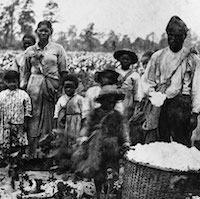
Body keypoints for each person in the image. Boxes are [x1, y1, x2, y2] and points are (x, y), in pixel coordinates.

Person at [142, 16, 200, 146]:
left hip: (182, 106)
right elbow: (147, 80)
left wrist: (195, 113)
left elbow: (197, 87)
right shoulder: (157, 57)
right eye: (171, 36)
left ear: (184, 37)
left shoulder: (192, 59)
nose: (173, 40)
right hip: (161, 104)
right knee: (161, 142)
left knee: (182, 144)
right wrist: (153, 94)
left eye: (178, 36)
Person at [73, 85, 130, 198]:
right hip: (96, 147)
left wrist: (126, 143)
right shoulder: (94, 113)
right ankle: (98, 192)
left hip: (113, 148)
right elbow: (87, 126)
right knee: (97, 172)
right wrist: (84, 138)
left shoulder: (118, 116)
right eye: (109, 100)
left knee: (112, 172)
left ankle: (111, 193)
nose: (111, 103)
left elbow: (123, 130)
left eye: (113, 101)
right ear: (102, 101)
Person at [21, 20, 68, 158]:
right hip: (34, 87)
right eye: (40, 30)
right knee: (33, 119)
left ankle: (46, 155)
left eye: (46, 31)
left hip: (51, 86)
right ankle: (32, 155)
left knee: (50, 118)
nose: (43, 33)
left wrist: (61, 89)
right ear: (36, 31)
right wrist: (22, 89)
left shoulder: (58, 49)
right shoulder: (30, 51)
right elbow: (26, 72)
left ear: (51, 32)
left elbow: (63, 70)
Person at [53, 74, 84, 170]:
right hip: (64, 124)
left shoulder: (79, 99)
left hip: (76, 123)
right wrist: (55, 128)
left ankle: (76, 165)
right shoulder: (61, 99)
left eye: (71, 87)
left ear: (75, 87)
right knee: (64, 143)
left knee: (75, 143)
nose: (68, 89)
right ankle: (64, 165)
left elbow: (84, 113)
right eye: (66, 87)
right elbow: (56, 114)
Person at [0, 70, 32, 159]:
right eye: (9, 82)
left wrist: (26, 121)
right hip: (6, 124)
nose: (12, 84)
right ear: (5, 82)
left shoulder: (23, 94)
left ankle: (18, 161)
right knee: (6, 142)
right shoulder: (2, 95)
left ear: (18, 81)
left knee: (19, 142)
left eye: (14, 82)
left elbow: (28, 108)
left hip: (19, 123)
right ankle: (6, 160)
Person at [113, 48, 140, 119]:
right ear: (119, 59)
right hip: (115, 98)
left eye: (127, 59)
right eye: (123, 59)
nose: (125, 61)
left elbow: (136, 91)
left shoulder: (135, 75)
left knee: (125, 118)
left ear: (131, 61)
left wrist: (135, 106)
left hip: (128, 100)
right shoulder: (115, 72)